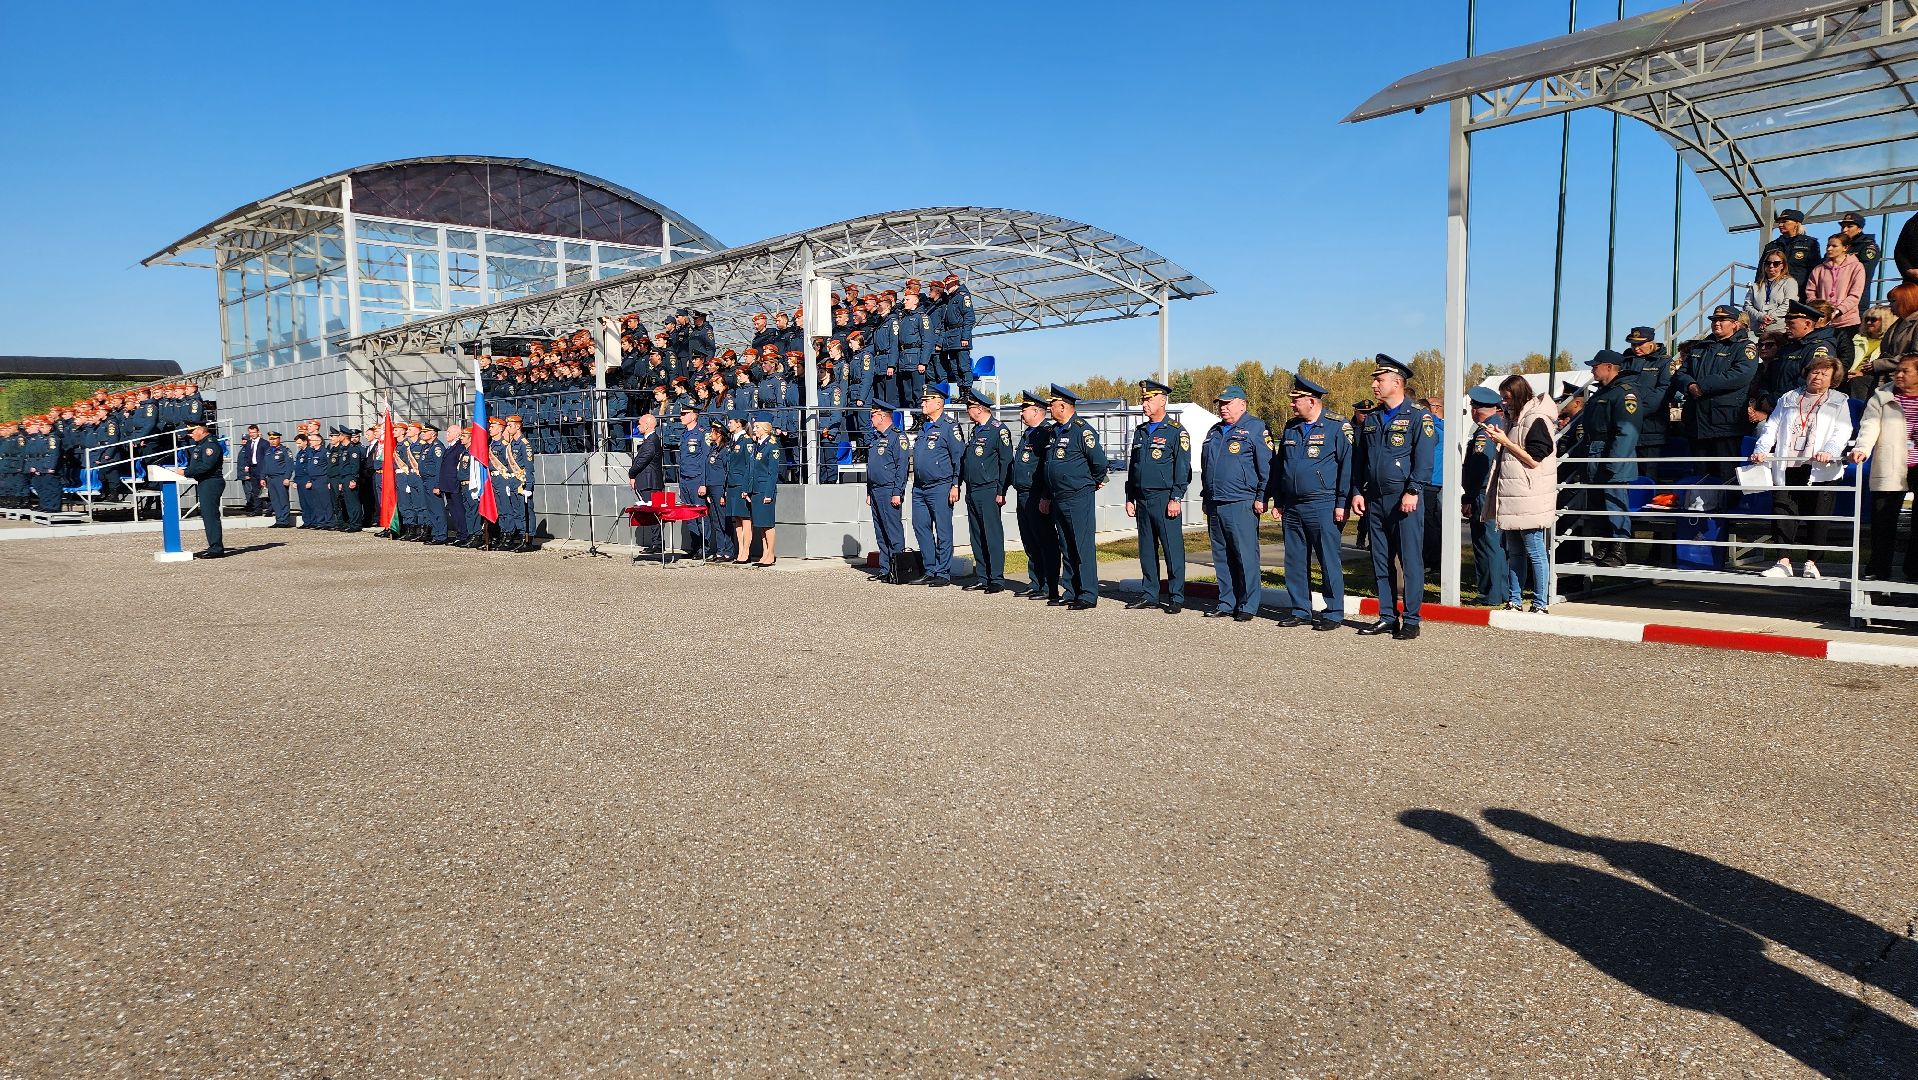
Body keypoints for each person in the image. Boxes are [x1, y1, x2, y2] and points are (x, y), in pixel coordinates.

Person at [1350, 355, 1434, 639]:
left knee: (1409, 561)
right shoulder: (1373, 417)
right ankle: (1387, 616)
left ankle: (1411, 619)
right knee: (1380, 559)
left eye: (1379, 379)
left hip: (1403, 498)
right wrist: (1357, 491)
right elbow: (1360, 460)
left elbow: (1424, 459)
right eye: (1374, 380)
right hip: (1375, 498)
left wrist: (1413, 489)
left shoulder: (1418, 416)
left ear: (1397, 382)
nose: (1374, 384)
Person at [1752, 355, 1853, 579]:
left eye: (1824, 374)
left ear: (1833, 380)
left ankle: (1812, 562)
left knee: (1819, 515)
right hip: (1788, 464)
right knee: (1783, 512)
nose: (1818, 377)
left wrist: (1830, 450)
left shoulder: (1839, 400)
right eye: (1815, 372)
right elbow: (1771, 427)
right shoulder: (1789, 397)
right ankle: (1783, 562)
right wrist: (1762, 449)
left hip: (1820, 467)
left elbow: (1843, 430)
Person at [1266, 376, 1349, 629]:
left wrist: (1342, 502)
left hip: (1323, 503)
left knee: (1328, 560)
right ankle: (1300, 610)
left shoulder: (1337, 426)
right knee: (1295, 561)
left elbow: (1347, 467)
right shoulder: (1291, 427)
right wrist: (1279, 499)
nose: (1292, 404)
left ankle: (1333, 612)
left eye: (1296, 400)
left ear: (1311, 401)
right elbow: (1280, 466)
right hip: (1292, 505)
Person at [1486, 375, 1560, 614]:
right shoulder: (1514, 419)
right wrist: (1501, 439)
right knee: (1515, 552)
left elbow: (1535, 459)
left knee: (1535, 551)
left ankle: (1540, 603)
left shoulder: (1536, 418)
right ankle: (1515, 600)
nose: (1504, 403)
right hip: (1512, 495)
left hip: (1529, 495)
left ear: (1518, 396)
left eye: (1507, 398)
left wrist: (1506, 442)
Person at [1199, 384, 1271, 622]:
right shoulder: (1215, 430)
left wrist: (1262, 496)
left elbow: (1266, 467)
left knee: (1245, 555)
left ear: (1242, 404)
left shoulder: (1256, 428)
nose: (1223, 408)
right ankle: (1226, 602)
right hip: (1215, 501)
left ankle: (1248, 604)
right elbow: (1207, 467)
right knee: (1221, 556)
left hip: (1241, 501)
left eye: (1227, 403)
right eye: (1220, 404)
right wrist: (1206, 497)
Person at [1675, 306, 1761, 500]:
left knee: (1726, 472)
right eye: (1714, 320)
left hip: (1725, 422)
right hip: (1698, 421)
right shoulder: (1700, 347)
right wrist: (1690, 385)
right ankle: (1702, 509)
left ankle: (1727, 511)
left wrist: (1703, 386)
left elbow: (1741, 374)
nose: (1716, 323)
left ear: (1735, 324)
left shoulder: (1744, 347)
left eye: (1722, 320)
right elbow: (1681, 373)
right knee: (1701, 472)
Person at [1122, 379, 1191, 613]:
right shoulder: (1141, 432)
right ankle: (1149, 594)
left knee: (1172, 549)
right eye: (1143, 400)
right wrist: (1130, 496)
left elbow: (1183, 468)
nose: (1144, 404)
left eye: (1149, 400)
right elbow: (1134, 467)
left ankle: (1176, 597)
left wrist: (1176, 497)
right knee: (1147, 550)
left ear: (1162, 401)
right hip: (1142, 499)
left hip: (1164, 499)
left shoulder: (1176, 431)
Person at [1848, 353, 1918, 580]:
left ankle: (1914, 569)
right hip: (1891, 463)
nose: (1899, 375)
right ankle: (1878, 569)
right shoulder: (1881, 396)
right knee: (1883, 520)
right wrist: (1862, 448)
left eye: (1905, 371)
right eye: (1897, 370)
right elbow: (1869, 425)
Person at [1039, 384, 1108, 609]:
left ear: (1063, 406)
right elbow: (1049, 465)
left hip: (1078, 496)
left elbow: (1099, 462)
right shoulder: (1054, 431)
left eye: (1052, 404)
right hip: (1058, 496)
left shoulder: (1081, 430)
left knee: (1082, 546)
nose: (1049, 408)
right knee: (1066, 545)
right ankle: (1071, 591)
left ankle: (1087, 593)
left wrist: (1092, 481)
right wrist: (1047, 495)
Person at [1575, 350, 1642, 568]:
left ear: (1609, 367)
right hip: (1594, 455)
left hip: (1611, 455)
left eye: (1596, 366)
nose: (1592, 370)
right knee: (1597, 506)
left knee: (1614, 504)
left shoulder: (1625, 393)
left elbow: (1627, 431)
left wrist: (1615, 462)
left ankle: (1619, 549)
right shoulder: (1601, 393)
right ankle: (1604, 547)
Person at [907, 384, 965, 586]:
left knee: (943, 529)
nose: (922, 404)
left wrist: (955, 484)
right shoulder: (924, 427)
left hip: (940, 486)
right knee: (920, 526)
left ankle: (943, 572)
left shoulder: (949, 427)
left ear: (939, 403)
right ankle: (930, 569)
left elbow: (959, 458)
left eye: (926, 400)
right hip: (920, 487)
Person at [959, 388, 1014, 592]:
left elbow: (1006, 462)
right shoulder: (976, 430)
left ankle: (996, 578)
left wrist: (1001, 490)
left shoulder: (998, 430)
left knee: (992, 535)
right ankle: (982, 576)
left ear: (979, 408)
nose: (967, 411)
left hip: (989, 489)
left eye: (969, 407)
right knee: (977, 535)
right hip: (973, 489)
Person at [1460, 386, 1509, 604]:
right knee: (1492, 543)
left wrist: (1469, 497)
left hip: (1483, 493)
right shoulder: (1498, 426)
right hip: (1489, 492)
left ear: (1476, 409)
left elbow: (1479, 469)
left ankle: (1492, 593)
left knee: (1488, 543)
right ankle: (1498, 591)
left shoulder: (1486, 432)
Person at [1009, 391, 1059, 601]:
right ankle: (1036, 582)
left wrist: (1046, 495)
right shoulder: (1029, 433)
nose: (1021, 414)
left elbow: (1047, 467)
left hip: (1038, 495)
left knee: (1045, 541)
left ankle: (1049, 585)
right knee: (1029, 540)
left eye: (1024, 410)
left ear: (1037, 411)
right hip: (1023, 494)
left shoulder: (1047, 433)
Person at [864, 405, 910, 582]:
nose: (871, 419)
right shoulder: (875, 438)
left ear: (882, 417)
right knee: (880, 532)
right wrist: (869, 491)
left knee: (893, 531)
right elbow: (872, 468)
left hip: (889, 489)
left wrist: (897, 492)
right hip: (876, 490)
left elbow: (902, 467)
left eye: (873, 416)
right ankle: (885, 569)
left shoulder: (897, 437)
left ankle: (898, 569)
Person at [1805, 233, 1865, 369]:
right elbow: (1810, 292)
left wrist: (1838, 311)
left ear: (1845, 248)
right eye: (1828, 245)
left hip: (1848, 323)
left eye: (1834, 246)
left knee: (1844, 360)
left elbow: (1855, 295)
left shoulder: (1857, 267)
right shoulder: (1819, 269)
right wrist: (1818, 309)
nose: (1829, 249)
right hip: (1823, 322)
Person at [182, 421, 227, 558]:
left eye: (192, 431)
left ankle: (216, 548)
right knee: (207, 515)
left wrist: (185, 472)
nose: (190, 435)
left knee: (210, 516)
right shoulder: (201, 444)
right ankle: (214, 546)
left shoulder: (210, 445)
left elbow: (206, 466)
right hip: (204, 482)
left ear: (201, 430)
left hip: (211, 482)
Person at [627, 412, 664, 553]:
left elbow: (642, 461)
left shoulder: (651, 441)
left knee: (653, 513)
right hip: (648, 481)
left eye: (640, 423)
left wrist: (631, 473)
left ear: (647, 425)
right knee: (652, 512)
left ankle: (657, 544)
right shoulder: (650, 440)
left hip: (650, 482)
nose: (638, 426)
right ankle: (656, 543)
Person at [746, 415, 779, 566]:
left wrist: (768, 494)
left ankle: (770, 554)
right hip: (756, 489)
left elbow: (772, 473)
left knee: (768, 524)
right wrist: (748, 489)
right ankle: (765, 553)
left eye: (757, 427)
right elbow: (752, 470)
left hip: (765, 489)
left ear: (765, 428)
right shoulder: (757, 445)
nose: (755, 429)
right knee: (761, 524)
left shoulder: (772, 446)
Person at [1762, 209, 1822, 293]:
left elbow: (1816, 270)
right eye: (1779, 222)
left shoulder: (1810, 244)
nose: (1780, 225)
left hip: (1800, 292)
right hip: (1774, 292)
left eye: (1784, 221)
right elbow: (1761, 271)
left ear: (1796, 223)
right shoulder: (1771, 246)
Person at [1743, 250, 1799, 336]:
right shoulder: (1755, 286)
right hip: (1756, 330)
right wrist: (1760, 317)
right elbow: (1747, 306)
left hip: (1780, 331)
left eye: (1776, 263)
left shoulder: (1790, 282)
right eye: (1768, 263)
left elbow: (1789, 304)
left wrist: (1770, 318)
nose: (1771, 266)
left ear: (1783, 266)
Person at [724, 415, 754, 564]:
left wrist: (746, 487)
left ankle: (746, 552)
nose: (729, 424)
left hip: (741, 484)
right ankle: (740, 550)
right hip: (732, 483)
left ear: (738, 424)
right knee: (737, 519)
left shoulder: (746, 441)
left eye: (731, 422)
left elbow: (749, 465)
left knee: (745, 518)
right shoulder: (732, 440)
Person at [1847, 306, 1891, 399]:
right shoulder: (1856, 338)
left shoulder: (1889, 342)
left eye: (1873, 319)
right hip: (1849, 375)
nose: (1868, 322)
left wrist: (1863, 374)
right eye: (1866, 319)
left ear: (1885, 321)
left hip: (1870, 378)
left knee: (1858, 381)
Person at [259, 431, 293, 527]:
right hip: (270, 479)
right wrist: (262, 477)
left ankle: (285, 521)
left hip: (280, 478)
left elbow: (289, 465)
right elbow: (264, 466)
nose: (272, 441)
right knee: (274, 501)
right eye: (271, 439)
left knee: (283, 499)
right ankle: (279, 520)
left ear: (279, 439)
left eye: (274, 439)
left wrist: (287, 477)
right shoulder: (268, 451)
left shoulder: (285, 450)